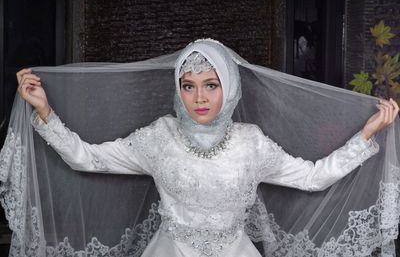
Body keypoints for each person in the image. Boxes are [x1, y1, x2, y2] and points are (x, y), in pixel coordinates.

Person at [12, 39, 400, 256]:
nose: (199, 97)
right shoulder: (159, 137)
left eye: (211, 85)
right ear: (178, 89)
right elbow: (88, 159)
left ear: (228, 88)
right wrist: (45, 111)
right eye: (189, 85)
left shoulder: (251, 143)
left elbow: (314, 179)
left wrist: (365, 135)